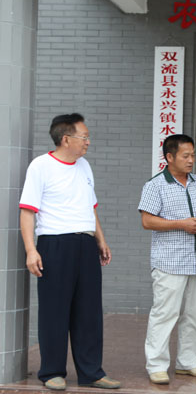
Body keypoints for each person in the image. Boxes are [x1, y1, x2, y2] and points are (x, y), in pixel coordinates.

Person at [19, 113, 121, 391]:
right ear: (66, 139)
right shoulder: (41, 166)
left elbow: (91, 206)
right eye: (84, 137)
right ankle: (52, 371)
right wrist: (31, 250)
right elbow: (27, 211)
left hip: (85, 244)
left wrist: (100, 239)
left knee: (89, 311)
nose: (88, 142)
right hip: (55, 244)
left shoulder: (84, 166)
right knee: (54, 310)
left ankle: (92, 372)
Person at [138, 134, 196, 385]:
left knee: (192, 315)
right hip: (169, 263)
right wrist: (182, 224)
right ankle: (156, 365)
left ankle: (188, 362)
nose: (191, 160)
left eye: (193, 155)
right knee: (164, 314)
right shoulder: (155, 185)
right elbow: (147, 221)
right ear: (169, 157)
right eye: (185, 156)